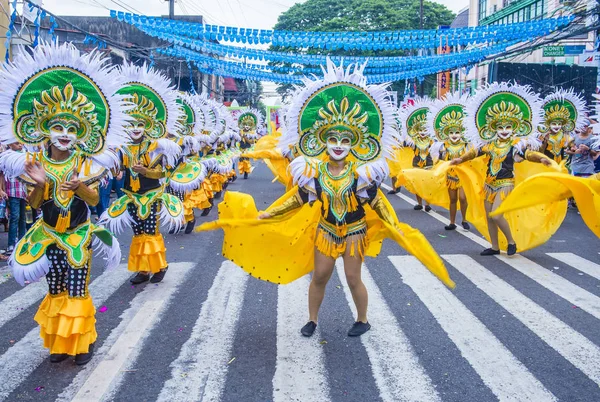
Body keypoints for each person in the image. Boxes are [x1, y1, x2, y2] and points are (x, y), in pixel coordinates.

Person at [198, 60, 454, 338]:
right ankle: (312, 320)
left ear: (355, 144)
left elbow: (377, 201)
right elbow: (298, 199)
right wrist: (268, 215)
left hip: (355, 232)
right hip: (326, 231)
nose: (339, 146)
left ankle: (363, 319)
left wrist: (394, 224)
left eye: (346, 141)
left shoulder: (362, 174)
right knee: (320, 276)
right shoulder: (314, 172)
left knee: (354, 278)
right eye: (333, 139)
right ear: (322, 141)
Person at [0, 42, 127, 365]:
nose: (65, 134)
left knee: (76, 288)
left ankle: (82, 344)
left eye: (72, 128)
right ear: (45, 128)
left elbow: (96, 199)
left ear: (82, 131)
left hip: (77, 235)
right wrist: (42, 185)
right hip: (48, 234)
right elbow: (33, 203)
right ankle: (59, 343)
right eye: (58, 127)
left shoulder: (86, 162)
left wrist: (81, 186)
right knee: (55, 288)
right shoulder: (34, 162)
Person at [98, 63, 185, 285]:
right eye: (131, 124)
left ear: (147, 125)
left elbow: (163, 172)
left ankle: (160, 266)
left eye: (140, 124)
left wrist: (145, 170)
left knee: (150, 232)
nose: (135, 128)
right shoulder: (122, 147)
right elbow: (117, 167)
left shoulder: (157, 146)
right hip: (130, 195)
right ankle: (143, 270)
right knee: (137, 233)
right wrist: (117, 172)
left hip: (152, 195)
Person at [450, 82, 553, 256]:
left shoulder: (515, 146)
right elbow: (474, 152)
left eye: (508, 127)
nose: (504, 131)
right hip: (488, 184)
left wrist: (542, 158)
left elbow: (528, 155)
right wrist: (461, 159)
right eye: (500, 127)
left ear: (514, 128)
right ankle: (495, 247)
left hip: (505, 184)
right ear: (494, 129)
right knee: (489, 215)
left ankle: (511, 241)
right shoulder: (489, 145)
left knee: (497, 215)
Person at [399, 99, 433, 212]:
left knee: (428, 184)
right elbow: (403, 144)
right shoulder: (413, 141)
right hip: (416, 162)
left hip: (429, 163)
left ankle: (427, 204)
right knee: (418, 183)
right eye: (420, 130)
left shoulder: (432, 141)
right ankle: (419, 203)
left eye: (425, 129)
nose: (423, 132)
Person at [539, 89, 588, 164]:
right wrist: (544, 142)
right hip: (547, 164)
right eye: (554, 124)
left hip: (562, 165)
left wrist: (573, 149)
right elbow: (539, 152)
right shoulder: (543, 135)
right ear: (548, 124)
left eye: (559, 124)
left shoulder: (564, 135)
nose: (557, 126)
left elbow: (572, 147)